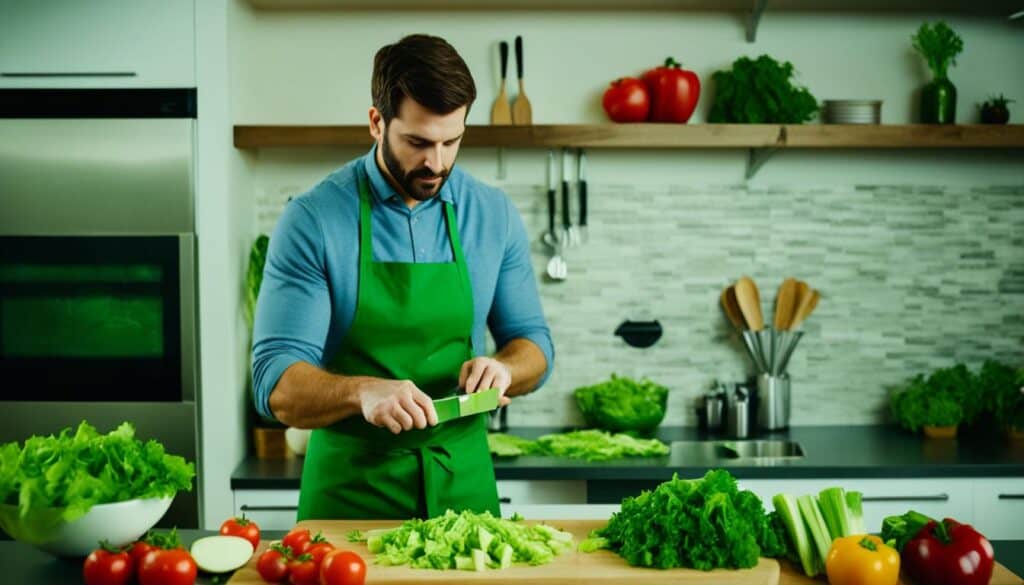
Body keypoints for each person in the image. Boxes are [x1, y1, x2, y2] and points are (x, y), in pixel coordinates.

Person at [251, 34, 554, 521]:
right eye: (417, 142)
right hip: (350, 494)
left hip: (465, 492)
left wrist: (506, 369)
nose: (436, 162)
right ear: (377, 122)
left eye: (451, 141)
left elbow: (534, 345)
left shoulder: (492, 214)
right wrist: (360, 390)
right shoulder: (314, 219)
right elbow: (275, 384)